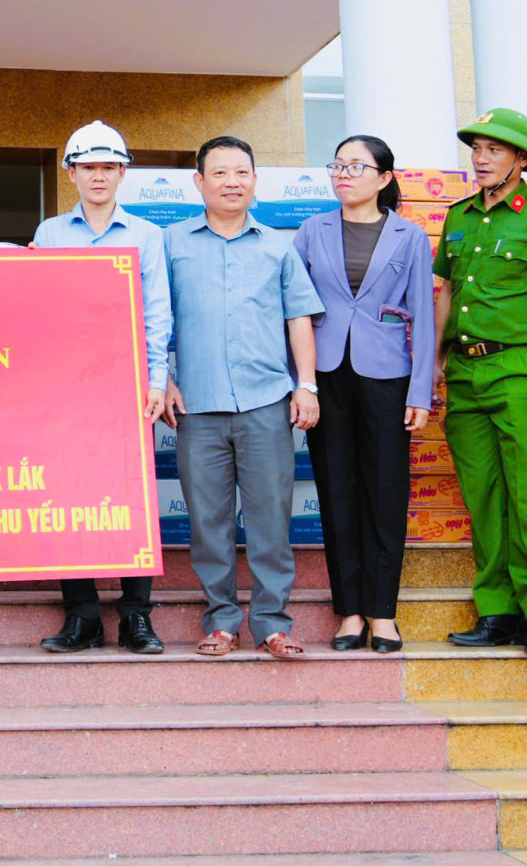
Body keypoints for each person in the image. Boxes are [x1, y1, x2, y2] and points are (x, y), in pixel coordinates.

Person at [163, 135, 323, 660]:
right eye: (220, 173)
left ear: (255, 181)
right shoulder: (171, 244)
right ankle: (222, 622)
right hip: (197, 406)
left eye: (241, 173)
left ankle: (273, 623)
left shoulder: (280, 245)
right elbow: (154, 321)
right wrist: (162, 378)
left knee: (270, 519)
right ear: (199, 182)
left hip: (266, 402)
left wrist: (306, 384)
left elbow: (298, 318)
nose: (232, 182)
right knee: (207, 522)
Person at [434, 108, 527, 659]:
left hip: (522, 369)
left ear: (521, 159)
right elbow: (446, 292)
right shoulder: (460, 216)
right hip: (467, 375)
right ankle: (497, 612)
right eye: (476, 148)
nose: (481, 157)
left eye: (494, 149)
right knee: (484, 496)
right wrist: (436, 362)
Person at [290, 134, 435, 654]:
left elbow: (423, 314)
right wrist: (300, 382)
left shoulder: (410, 237)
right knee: (337, 491)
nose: (344, 174)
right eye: (338, 165)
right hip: (326, 374)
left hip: (387, 375)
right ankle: (350, 612)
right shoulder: (311, 231)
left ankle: (384, 613)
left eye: (356, 166)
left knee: (386, 491)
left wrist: (421, 391)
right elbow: (296, 312)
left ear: (384, 177)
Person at [31, 121, 172, 655]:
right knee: (70, 494)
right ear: (71, 172)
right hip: (67, 387)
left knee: (132, 496)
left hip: (128, 383)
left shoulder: (146, 235)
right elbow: (40, 310)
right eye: (88, 166)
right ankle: (82, 617)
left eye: (108, 167)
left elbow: (158, 313)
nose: (98, 176)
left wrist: (156, 381)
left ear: (123, 172)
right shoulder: (50, 233)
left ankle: (136, 617)